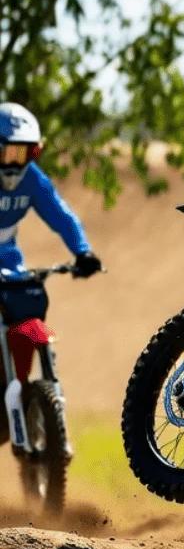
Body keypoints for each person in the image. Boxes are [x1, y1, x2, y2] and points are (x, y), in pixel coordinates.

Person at [0, 104, 102, 379]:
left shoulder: (32, 179)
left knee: (27, 313)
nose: (15, 162)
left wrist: (83, 252)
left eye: (24, 153)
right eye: (8, 152)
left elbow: (62, 216)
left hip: (10, 269)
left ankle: (24, 390)